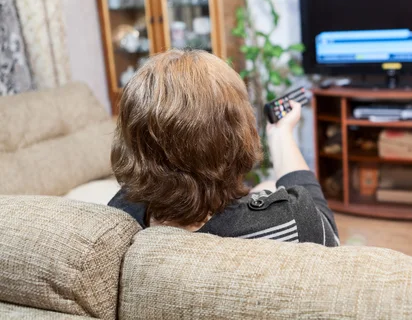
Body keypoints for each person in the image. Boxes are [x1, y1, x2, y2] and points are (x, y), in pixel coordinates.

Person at [108, 50, 339, 247]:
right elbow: (327, 233)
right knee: (269, 186)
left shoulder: (121, 214)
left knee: (266, 185)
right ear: (235, 137)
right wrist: (282, 134)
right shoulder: (289, 222)